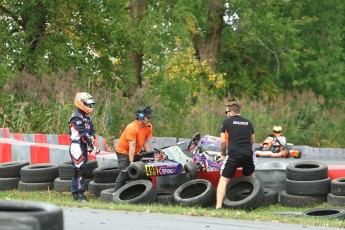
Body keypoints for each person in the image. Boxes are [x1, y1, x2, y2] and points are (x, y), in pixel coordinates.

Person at [216, 101, 255, 209]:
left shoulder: (227, 122)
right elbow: (252, 140)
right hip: (247, 155)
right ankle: (254, 201)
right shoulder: (248, 122)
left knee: (223, 179)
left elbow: (223, 142)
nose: (226, 114)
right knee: (252, 177)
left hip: (234, 155)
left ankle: (218, 206)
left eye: (226, 111)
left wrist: (223, 154)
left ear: (231, 112)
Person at [69, 92, 100, 203]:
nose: (90, 107)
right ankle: (79, 194)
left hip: (83, 145)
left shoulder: (87, 117)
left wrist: (92, 137)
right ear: (81, 103)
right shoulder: (76, 117)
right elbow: (82, 133)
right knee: (80, 170)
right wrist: (92, 145)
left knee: (79, 170)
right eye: (88, 104)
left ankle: (76, 193)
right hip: (76, 145)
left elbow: (91, 130)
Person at [114, 105, 153, 191]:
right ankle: (115, 194)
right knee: (124, 172)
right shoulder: (132, 128)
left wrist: (151, 157)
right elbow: (132, 145)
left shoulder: (148, 127)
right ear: (141, 116)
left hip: (135, 152)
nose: (149, 120)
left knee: (142, 171)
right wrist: (131, 162)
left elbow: (145, 142)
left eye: (150, 118)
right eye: (148, 117)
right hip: (123, 151)